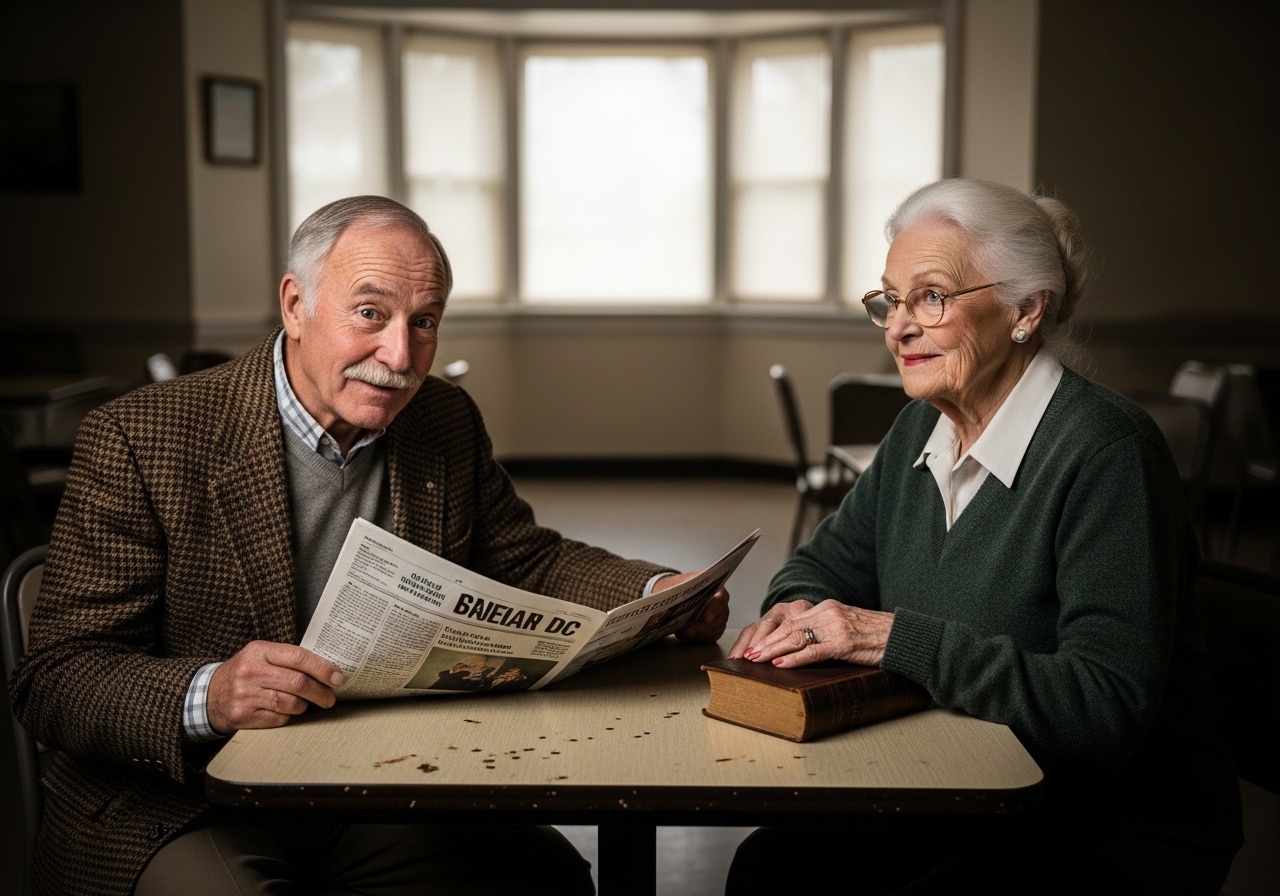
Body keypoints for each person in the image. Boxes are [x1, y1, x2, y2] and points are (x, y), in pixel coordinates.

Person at [8, 195, 728, 896]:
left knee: (546, 876)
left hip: (366, 777)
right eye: (370, 314)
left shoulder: (441, 419)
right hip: (180, 796)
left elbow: (526, 559)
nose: (400, 354)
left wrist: (657, 593)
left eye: (425, 322)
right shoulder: (141, 437)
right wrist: (214, 692)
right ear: (296, 306)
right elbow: (57, 678)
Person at [725, 179, 1241, 895]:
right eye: (890, 300)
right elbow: (824, 560)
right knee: (771, 867)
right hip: (960, 783)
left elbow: (1104, 707)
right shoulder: (920, 426)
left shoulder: (1107, 452)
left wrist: (886, 636)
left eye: (931, 297)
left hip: (1099, 823)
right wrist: (799, 603)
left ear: (1027, 310)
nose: (898, 327)